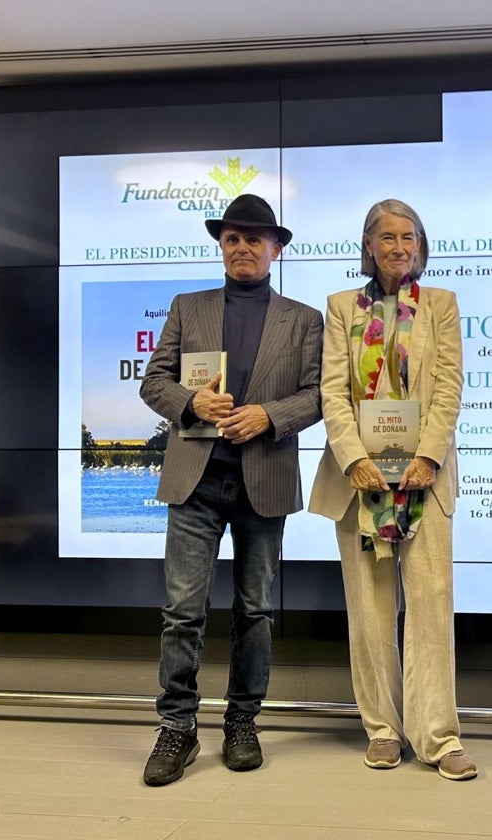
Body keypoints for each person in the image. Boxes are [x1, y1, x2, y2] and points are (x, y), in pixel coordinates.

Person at [138, 193, 323, 786]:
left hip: (262, 479)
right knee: (182, 612)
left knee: (255, 611)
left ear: (277, 248)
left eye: (255, 239)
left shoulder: (304, 319)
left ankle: (242, 721)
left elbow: (321, 395)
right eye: (232, 239)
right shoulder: (187, 307)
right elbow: (154, 382)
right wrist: (191, 401)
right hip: (195, 479)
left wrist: (269, 415)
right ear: (222, 246)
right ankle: (178, 727)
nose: (242, 248)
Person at [308, 199, 476, 781]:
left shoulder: (442, 306)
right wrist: (353, 459)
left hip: (424, 481)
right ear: (369, 246)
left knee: (429, 608)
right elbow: (331, 392)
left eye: (408, 236)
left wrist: (429, 455)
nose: (398, 246)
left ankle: (439, 736)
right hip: (361, 483)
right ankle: (382, 730)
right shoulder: (338, 309)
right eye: (386, 237)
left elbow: (450, 385)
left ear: (421, 245)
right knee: (371, 611)